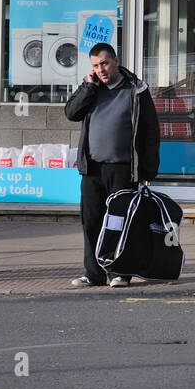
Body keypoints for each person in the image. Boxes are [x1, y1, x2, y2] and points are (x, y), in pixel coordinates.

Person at [64, 42, 160, 288]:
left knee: (120, 222)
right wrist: (88, 87)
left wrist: (148, 169)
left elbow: (150, 131)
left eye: (104, 63)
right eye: (96, 65)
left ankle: (120, 272)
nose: (101, 69)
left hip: (122, 168)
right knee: (92, 222)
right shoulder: (91, 88)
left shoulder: (136, 89)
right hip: (93, 168)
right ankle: (93, 273)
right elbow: (71, 113)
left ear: (116, 61)